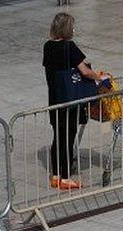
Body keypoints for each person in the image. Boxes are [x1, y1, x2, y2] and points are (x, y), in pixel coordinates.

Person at [43, 13, 108, 190]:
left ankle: (56, 175)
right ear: (67, 29)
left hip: (55, 99)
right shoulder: (69, 47)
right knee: (68, 137)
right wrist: (100, 77)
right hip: (70, 99)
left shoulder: (47, 47)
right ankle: (64, 177)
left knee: (58, 136)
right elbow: (85, 71)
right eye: (72, 26)